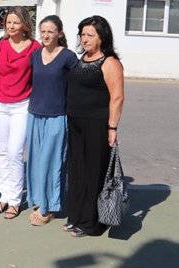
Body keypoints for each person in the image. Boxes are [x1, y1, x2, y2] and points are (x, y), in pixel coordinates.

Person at [64, 15, 124, 237]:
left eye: (90, 35)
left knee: (93, 173)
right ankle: (77, 216)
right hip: (76, 124)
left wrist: (112, 129)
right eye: (83, 34)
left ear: (102, 37)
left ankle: (92, 223)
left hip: (97, 125)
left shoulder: (110, 62)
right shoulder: (83, 58)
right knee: (77, 171)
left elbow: (117, 97)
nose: (85, 39)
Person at [25, 15, 78, 226]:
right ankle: (39, 201)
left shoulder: (68, 57)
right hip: (34, 114)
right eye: (43, 31)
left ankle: (49, 207)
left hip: (58, 116)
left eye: (50, 31)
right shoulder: (35, 55)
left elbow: (79, 86)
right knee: (36, 162)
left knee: (52, 162)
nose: (46, 35)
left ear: (60, 34)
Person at [0, 6, 40, 220]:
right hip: (0, 105)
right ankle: (4, 196)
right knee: (2, 152)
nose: (11, 26)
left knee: (15, 153)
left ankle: (15, 200)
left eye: (16, 22)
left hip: (23, 105)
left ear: (24, 25)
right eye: (8, 22)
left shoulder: (35, 47)